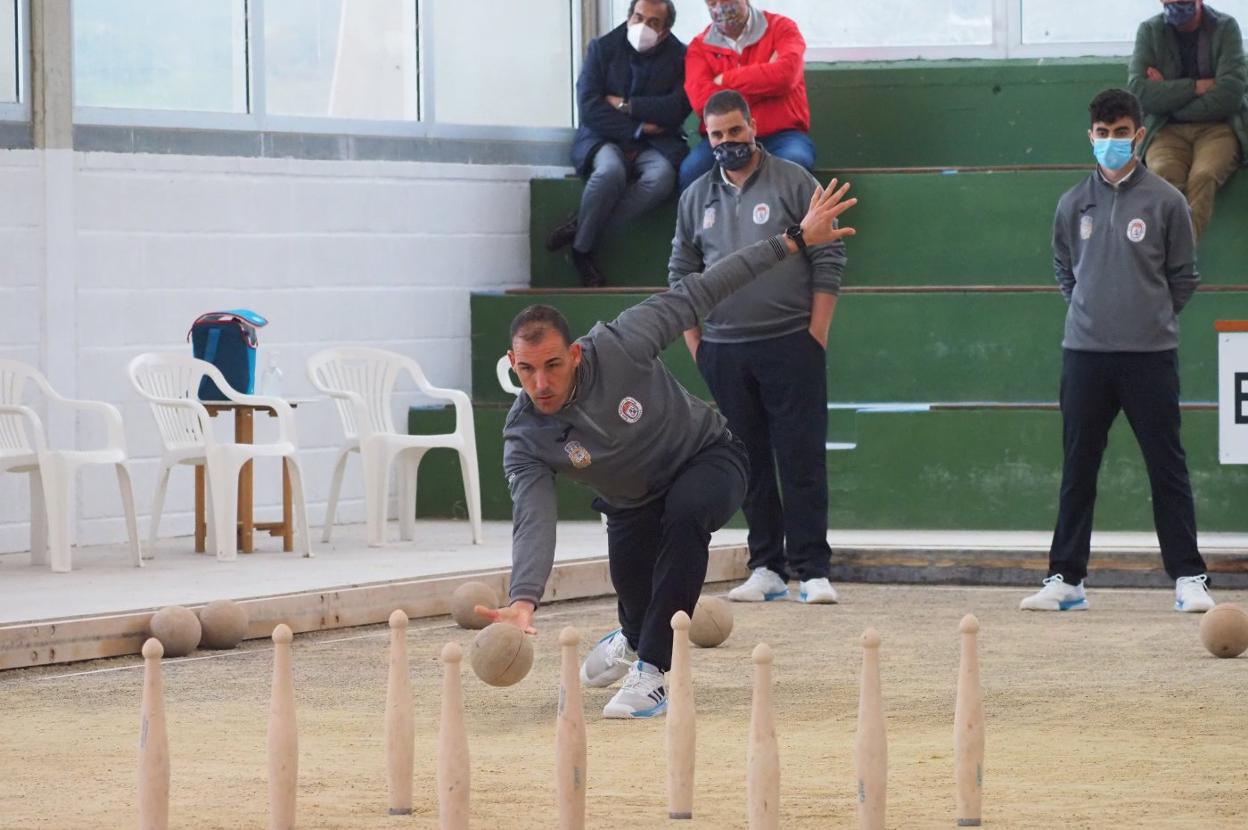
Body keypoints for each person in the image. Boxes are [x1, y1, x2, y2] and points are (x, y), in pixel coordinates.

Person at [480, 181, 857, 719]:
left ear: (577, 354)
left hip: (709, 459)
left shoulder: (622, 340)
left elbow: (706, 287)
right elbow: (533, 519)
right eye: (527, 370)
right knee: (636, 600)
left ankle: (653, 672)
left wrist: (794, 239)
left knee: (685, 518)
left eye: (553, 365)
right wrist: (522, 599)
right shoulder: (525, 438)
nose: (541, 382)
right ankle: (633, 637)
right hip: (631, 503)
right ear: (514, 366)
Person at [1020, 88, 1215, 614]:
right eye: (1102, 135)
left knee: (1165, 466)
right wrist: (1091, 311)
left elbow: (1183, 278)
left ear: (1139, 135)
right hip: (1084, 354)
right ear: (1091, 137)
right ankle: (1066, 578)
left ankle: (1189, 576)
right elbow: (1065, 271)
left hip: (1149, 355)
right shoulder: (1070, 204)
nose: (1111, 142)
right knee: (1078, 465)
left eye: (1121, 133)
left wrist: (1147, 318)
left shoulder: (1167, 202)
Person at [669, 89, 844, 608]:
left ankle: (813, 569)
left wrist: (817, 333)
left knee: (802, 457)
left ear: (753, 127)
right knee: (750, 463)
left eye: (735, 132)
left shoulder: (794, 180)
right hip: (723, 350)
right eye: (716, 135)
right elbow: (681, 271)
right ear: (707, 136)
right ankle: (765, 565)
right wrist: (697, 343)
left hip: (792, 342)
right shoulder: (695, 196)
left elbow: (829, 255)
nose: (727, 143)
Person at [545, 0, 692, 287]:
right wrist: (638, 126)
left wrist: (626, 105)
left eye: (653, 23)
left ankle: (581, 228)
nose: (643, 26)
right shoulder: (602, 48)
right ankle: (582, 251)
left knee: (660, 179)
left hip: (657, 144)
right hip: (605, 139)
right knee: (609, 172)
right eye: (638, 17)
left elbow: (676, 108)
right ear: (628, 17)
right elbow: (590, 108)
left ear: (665, 31)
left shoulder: (680, 56)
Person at [1128, 0, 1248, 240]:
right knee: (1163, 175)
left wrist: (1169, 97)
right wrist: (1195, 87)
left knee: (1204, 175)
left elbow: (1231, 94)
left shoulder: (1225, 28)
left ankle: (1174, 264)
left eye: (1183, 2)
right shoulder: (1150, 32)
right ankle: (1175, 265)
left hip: (1218, 129)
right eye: (1170, 3)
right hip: (1166, 131)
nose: (1176, 8)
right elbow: (1139, 92)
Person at [678, 0, 813, 191]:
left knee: (795, 164)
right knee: (692, 171)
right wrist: (767, 83)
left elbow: (786, 76)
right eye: (712, 2)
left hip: (782, 136)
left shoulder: (782, 28)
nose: (719, 7)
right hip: (724, 138)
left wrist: (724, 79)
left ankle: (789, 223)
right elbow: (703, 102)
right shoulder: (699, 47)